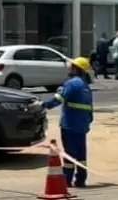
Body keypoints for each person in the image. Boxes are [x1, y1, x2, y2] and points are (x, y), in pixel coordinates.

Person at [42, 56, 94, 188]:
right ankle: (81, 180)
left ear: (77, 69)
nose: (70, 67)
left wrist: (43, 105)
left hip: (69, 124)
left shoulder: (72, 83)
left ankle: (67, 180)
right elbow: (89, 107)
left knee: (69, 154)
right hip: (82, 125)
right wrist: (87, 122)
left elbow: (58, 99)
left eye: (72, 66)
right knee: (81, 154)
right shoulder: (85, 86)